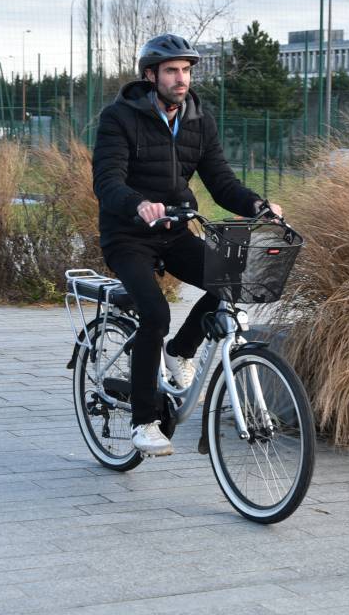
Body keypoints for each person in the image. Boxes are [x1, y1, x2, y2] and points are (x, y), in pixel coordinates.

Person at [92, 33, 283, 457]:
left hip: (177, 230)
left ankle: (182, 351)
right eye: (172, 71)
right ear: (150, 75)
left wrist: (256, 204)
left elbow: (220, 182)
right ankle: (143, 422)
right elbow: (107, 182)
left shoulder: (199, 119)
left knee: (229, 286)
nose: (181, 79)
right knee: (155, 313)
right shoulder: (119, 118)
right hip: (128, 236)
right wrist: (138, 204)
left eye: (186, 70)